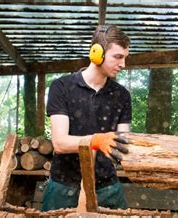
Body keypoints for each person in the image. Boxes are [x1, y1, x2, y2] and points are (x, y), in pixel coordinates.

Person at [42, 25, 132, 211]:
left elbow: (123, 141)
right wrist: (95, 141)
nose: (123, 64)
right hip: (64, 185)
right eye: (118, 57)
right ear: (96, 53)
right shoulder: (62, 87)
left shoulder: (122, 95)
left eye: (125, 58)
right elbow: (60, 143)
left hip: (108, 186)